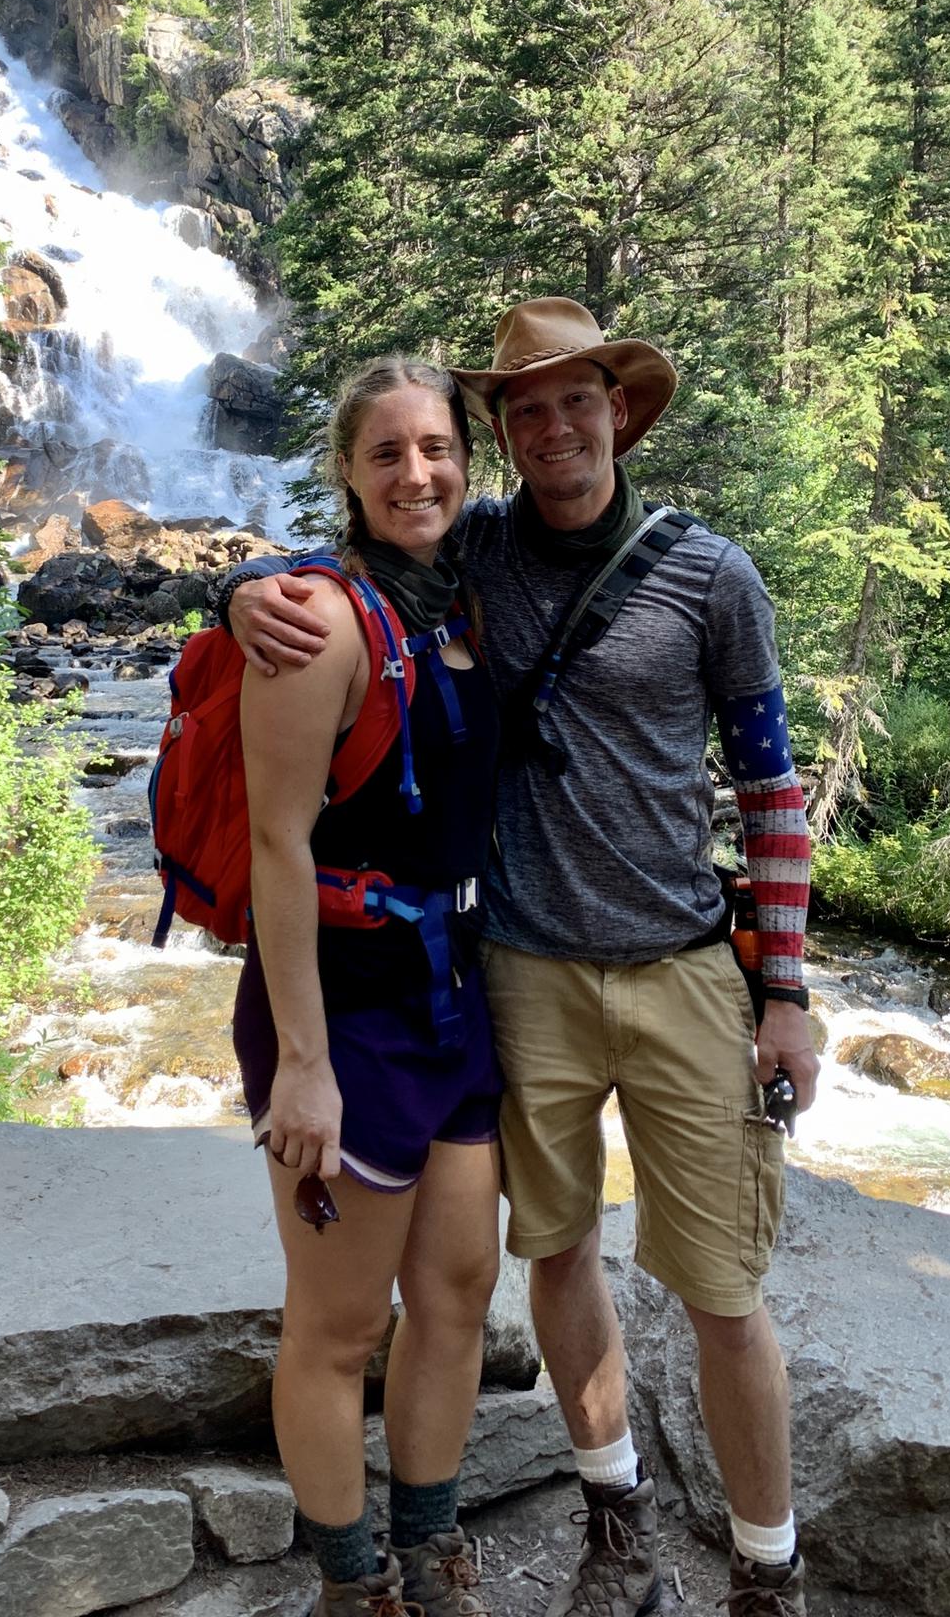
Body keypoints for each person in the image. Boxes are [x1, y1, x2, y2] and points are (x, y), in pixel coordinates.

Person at [224, 301, 819, 1617]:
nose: (549, 426)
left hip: (666, 973)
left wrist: (785, 991)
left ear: (622, 408)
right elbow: (339, 567)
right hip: (518, 980)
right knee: (548, 1260)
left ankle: (764, 1572)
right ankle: (585, 1529)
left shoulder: (709, 576)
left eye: (576, 400)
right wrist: (239, 584)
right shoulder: (461, 554)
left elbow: (773, 791)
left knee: (691, 1290)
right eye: (523, 408)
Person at [235, 355, 503, 1617]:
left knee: (456, 1294)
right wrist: (302, 1061)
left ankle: (433, 1548)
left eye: (438, 446)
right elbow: (275, 842)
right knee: (338, 1326)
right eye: (387, 451)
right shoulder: (321, 619)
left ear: (468, 457)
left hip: (455, 993)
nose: (418, 471)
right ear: (345, 470)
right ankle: (354, 1583)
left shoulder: (466, 595)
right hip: (342, 1009)